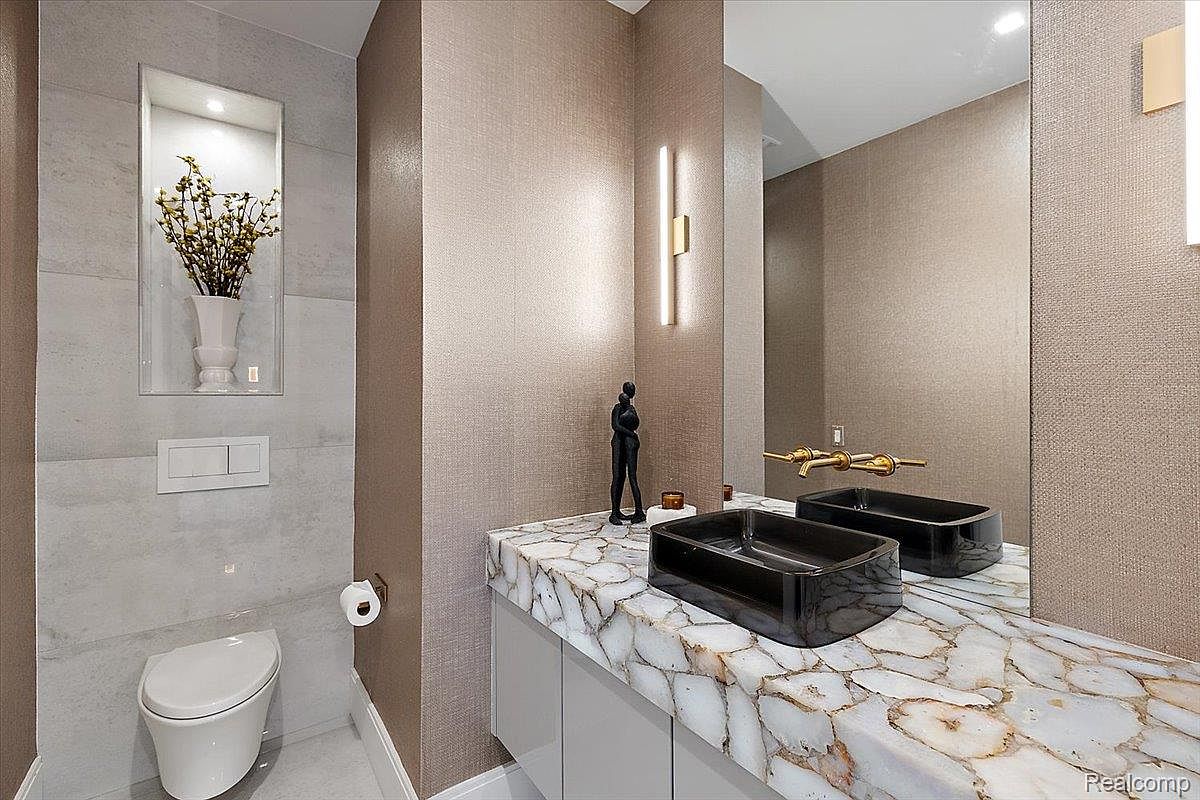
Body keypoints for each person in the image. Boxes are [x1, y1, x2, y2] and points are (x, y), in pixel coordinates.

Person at [609, 381, 645, 524]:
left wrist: (631, 434)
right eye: (631, 389)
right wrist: (631, 433)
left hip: (628, 444)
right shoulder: (617, 408)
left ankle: (638, 511)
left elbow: (636, 423)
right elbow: (615, 425)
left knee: (631, 476)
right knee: (618, 476)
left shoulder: (632, 408)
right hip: (619, 443)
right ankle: (614, 512)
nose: (632, 391)